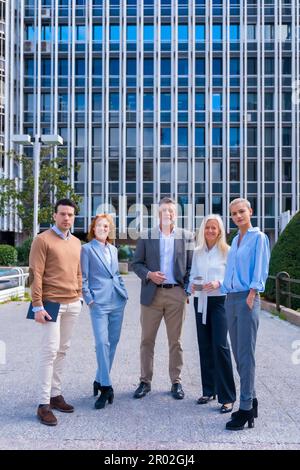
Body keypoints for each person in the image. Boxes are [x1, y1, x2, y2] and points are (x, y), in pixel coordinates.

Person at [132, 197, 194, 400]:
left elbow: (191, 268)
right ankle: (144, 381)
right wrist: (149, 275)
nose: (167, 213)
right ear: (158, 214)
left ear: (176, 214)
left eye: (171, 211)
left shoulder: (187, 237)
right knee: (146, 340)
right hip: (152, 294)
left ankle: (176, 382)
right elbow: (136, 264)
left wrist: (185, 290)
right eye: (164, 210)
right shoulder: (146, 236)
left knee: (175, 341)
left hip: (176, 294)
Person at [29, 198, 82, 426]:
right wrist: (37, 305)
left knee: (63, 351)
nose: (66, 218)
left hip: (72, 303)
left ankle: (55, 394)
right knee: (49, 352)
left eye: (70, 214)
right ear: (54, 215)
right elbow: (35, 274)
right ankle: (43, 404)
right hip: (51, 304)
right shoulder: (42, 240)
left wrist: (79, 294)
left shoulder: (77, 242)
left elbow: (78, 271)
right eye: (62, 214)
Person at [221, 198, 270, 431]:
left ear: (250, 211)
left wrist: (252, 293)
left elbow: (261, 267)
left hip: (247, 299)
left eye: (241, 211)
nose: (238, 216)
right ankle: (252, 398)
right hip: (230, 299)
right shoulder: (234, 240)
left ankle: (245, 408)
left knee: (246, 354)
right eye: (234, 213)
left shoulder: (258, 238)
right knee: (239, 356)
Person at [189, 214, 236, 413]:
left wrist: (219, 284)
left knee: (220, 346)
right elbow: (192, 274)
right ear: (203, 229)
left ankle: (228, 397)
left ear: (220, 231)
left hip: (219, 302)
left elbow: (232, 279)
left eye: (214, 228)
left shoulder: (228, 251)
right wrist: (192, 284)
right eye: (207, 227)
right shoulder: (198, 252)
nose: (210, 231)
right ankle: (209, 390)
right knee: (205, 345)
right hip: (200, 301)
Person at [81, 214, 128, 409]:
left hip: (117, 300)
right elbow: (83, 277)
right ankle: (106, 387)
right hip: (98, 303)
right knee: (102, 343)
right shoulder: (86, 249)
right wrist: (89, 299)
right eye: (100, 226)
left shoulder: (113, 250)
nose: (103, 229)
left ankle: (99, 379)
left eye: (106, 226)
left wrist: (123, 292)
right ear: (93, 228)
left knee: (113, 342)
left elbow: (115, 274)